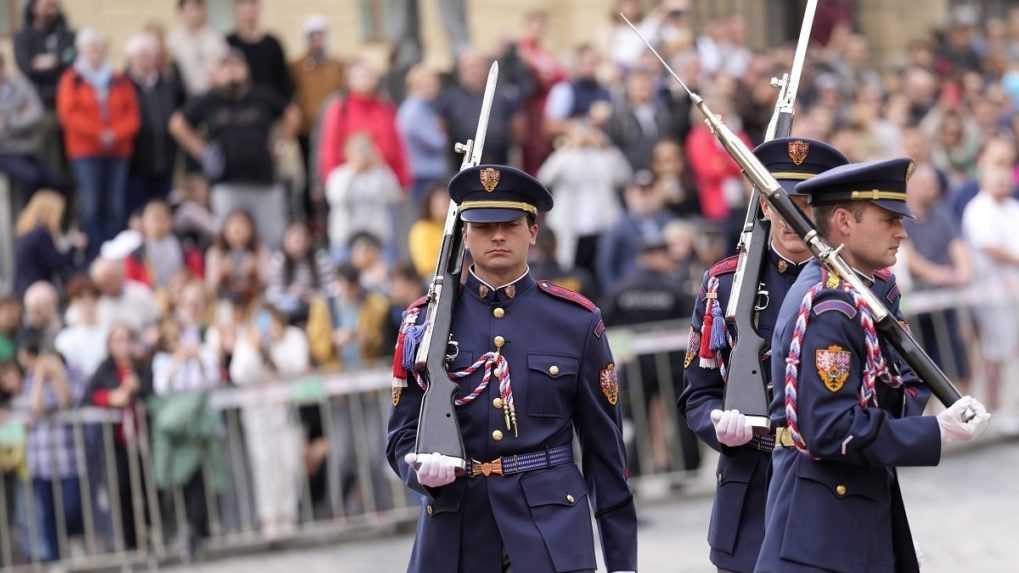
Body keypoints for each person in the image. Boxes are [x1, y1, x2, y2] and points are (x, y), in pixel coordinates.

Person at [386, 164, 637, 573]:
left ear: (533, 231)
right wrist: (419, 470)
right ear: (465, 233)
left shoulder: (575, 322)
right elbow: (400, 432)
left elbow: (605, 454)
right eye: (484, 227)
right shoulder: (425, 323)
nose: (498, 236)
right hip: (457, 532)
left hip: (551, 532)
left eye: (510, 224)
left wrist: (623, 563)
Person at [756, 158, 992, 573]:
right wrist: (932, 431)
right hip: (822, 527)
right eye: (888, 220)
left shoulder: (866, 291)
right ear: (844, 221)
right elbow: (829, 428)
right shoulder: (828, 307)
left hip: (853, 507)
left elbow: (902, 377)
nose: (902, 232)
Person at [678, 138, 849, 573]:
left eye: (806, 203)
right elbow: (698, 394)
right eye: (781, 201)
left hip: (834, 482)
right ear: (764, 205)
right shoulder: (725, 283)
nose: (794, 215)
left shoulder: (856, 284)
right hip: (752, 483)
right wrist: (719, 426)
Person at [56, 28, 140, 256]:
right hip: (86, 151)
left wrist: (114, 134)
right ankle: (93, 255)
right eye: (91, 48)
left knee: (115, 205)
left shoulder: (119, 80)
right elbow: (69, 115)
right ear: (82, 51)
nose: (95, 52)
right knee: (91, 205)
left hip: (117, 150)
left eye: (99, 47)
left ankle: (115, 254)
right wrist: (99, 133)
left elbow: (132, 115)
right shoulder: (72, 79)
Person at [13, 190, 86, 296]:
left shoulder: (26, 232)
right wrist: (74, 247)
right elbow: (56, 262)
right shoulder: (41, 233)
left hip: (23, 289)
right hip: (35, 292)